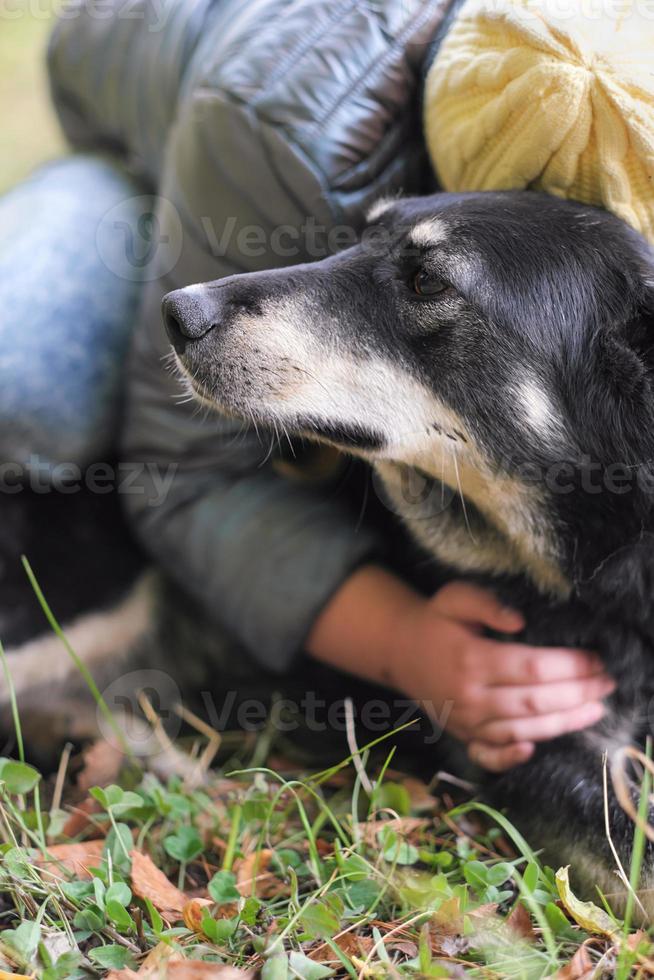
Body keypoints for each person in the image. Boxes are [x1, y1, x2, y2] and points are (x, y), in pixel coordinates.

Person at [3, 0, 615, 771]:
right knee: (23, 380)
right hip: (179, 143)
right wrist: (404, 646)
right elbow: (187, 473)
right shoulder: (290, 122)